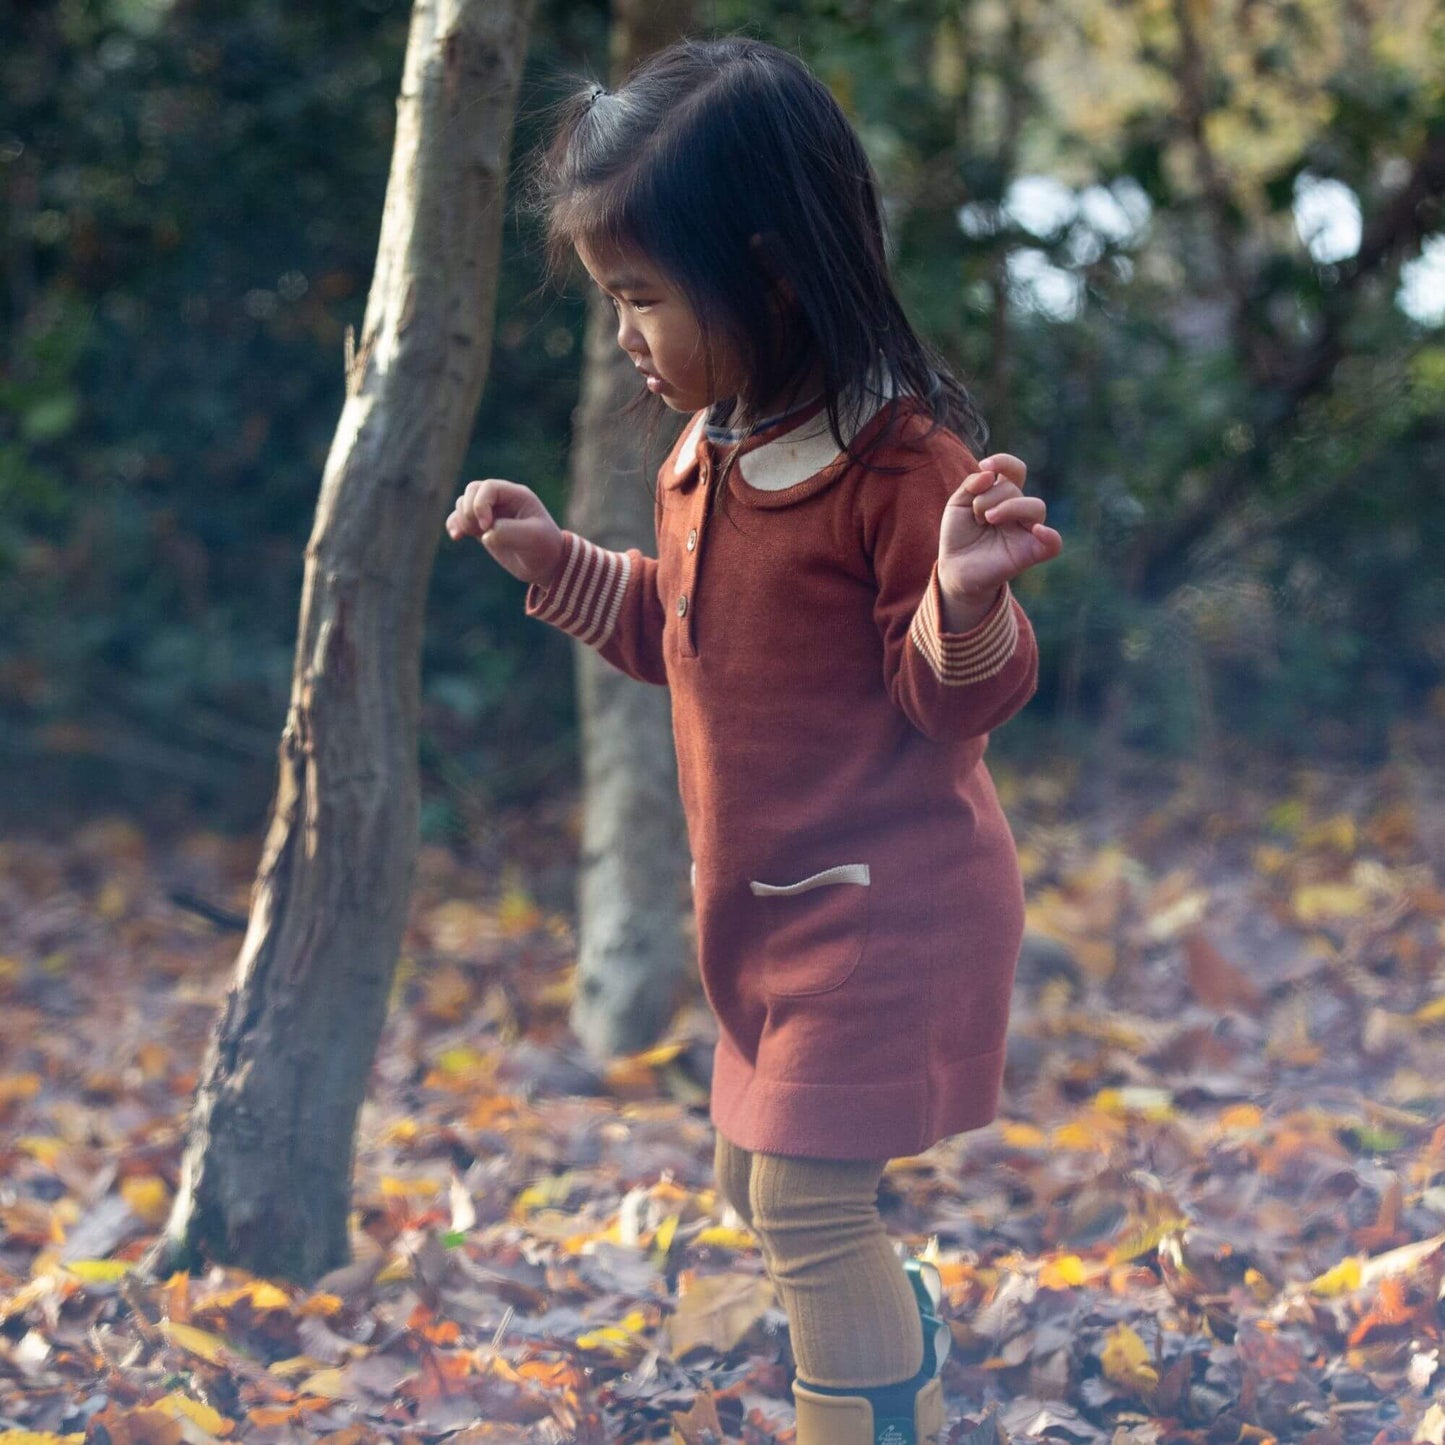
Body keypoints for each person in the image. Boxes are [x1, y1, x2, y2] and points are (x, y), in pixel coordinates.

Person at [446, 37, 1063, 1445]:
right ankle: (889, 1329)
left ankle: (860, 1416)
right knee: (750, 1180)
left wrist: (964, 594)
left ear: (772, 271)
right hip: (764, 911)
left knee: (800, 1200)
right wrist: (554, 560)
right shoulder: (706, 449)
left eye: (645, 300)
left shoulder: (899, 468)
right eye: (612, 300)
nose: (623, 337)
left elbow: (952, 700)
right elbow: (685, 633)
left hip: (889, 906)